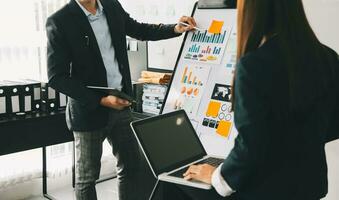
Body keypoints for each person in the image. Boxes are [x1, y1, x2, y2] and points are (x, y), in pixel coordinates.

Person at [163, 0, 339, 199]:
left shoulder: (253, 65)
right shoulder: (328, 57)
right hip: (309, 184)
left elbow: (252, 146)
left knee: (174, 185)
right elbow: (333, 125)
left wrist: (216, 176)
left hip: (265, 189)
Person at [45, 0, 196, 199]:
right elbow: (57, 77)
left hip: (121, 104)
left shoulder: (111, 6)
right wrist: (100, 100)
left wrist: (175, 28)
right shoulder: (60, 21)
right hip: (88, 110)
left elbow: (140, 30)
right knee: (87, 178)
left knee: (132, 167)